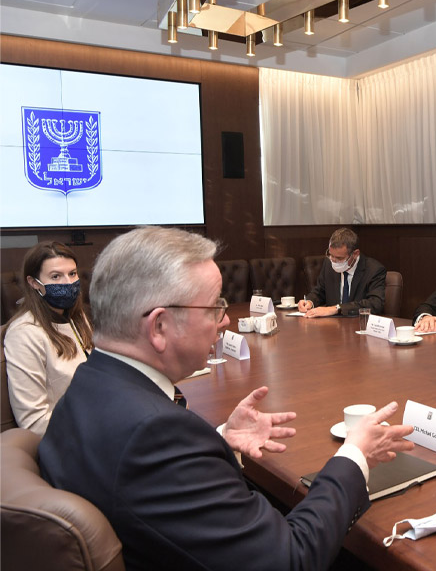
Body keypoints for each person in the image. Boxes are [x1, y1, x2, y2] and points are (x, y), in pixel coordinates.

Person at [37, 226, 414, 571]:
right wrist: (354, 455)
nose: (225, 321)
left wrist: (217, 440)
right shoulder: (156, 437)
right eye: (214, 306)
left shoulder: (91, 382)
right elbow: (291, 559)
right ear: (159, 326)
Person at [2, 241, 92, 436]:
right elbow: (33, 422)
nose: (68, 283)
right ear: (34, 283)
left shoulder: (76, 317)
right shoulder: (24, 334)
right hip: (69, 438)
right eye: (55, 276)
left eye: (72, 274)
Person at [298, 228, 386, 317]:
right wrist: (309, 302)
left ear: (355, 254)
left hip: (358, 325)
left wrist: (337, 308)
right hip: (331, 325)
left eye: (339, 258)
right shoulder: (328, 264)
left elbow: (375, 303)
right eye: (331, 255)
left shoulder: (374, 270)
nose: (334, 261)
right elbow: (320, 292)